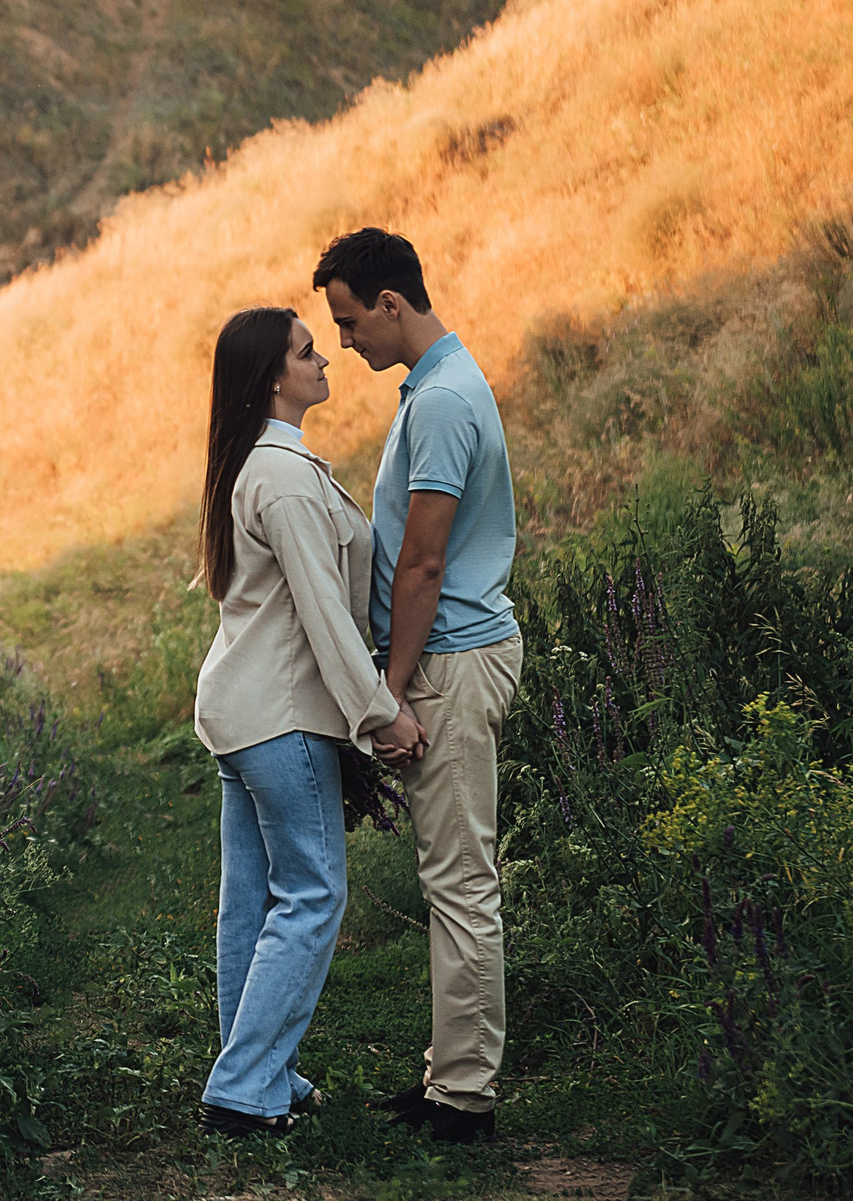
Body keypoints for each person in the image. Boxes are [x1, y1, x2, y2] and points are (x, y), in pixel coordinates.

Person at [191, 306, 427, 1141]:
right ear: (272, 379)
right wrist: (379, 710)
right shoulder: (283, 478)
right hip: (279, 716)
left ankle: (256, 1069)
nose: (324, 358)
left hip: (245, 711)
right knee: (313, 892)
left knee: (251, 905)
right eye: (305, 351)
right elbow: (325, 614)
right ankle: (244, 1087)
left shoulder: (261, 464)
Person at [312, 227, 523, 1146]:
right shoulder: (437, 385)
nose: (345, 340)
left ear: (391, 303)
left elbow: (424, 565)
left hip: (450, 660)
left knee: (462, 880)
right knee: (449, 876)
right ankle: (449, 1075)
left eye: (350, 321)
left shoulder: (439, 401)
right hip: (448, 655)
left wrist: (389, 691)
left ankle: (466, 1099)